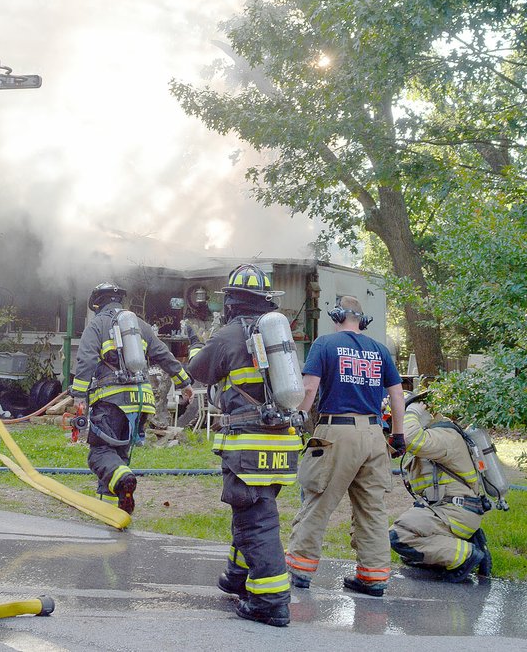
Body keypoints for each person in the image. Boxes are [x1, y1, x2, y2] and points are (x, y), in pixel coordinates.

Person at [186, 264, 303, 628]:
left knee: (255, 522)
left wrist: (195, 345)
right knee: (256, 511)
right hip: (282, 445)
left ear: (232, 301)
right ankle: (237, 577)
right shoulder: (276, 335)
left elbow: (198, 372)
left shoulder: (228, 335)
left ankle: (270, 601)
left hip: (249, 446)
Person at [285, 295, 405, 597]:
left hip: (336, 433)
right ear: (362, 320)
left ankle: (299, 570)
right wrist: (398, 436)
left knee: (318, 501)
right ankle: (373, 577)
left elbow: (310, 388)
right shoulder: (380, 350)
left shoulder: (324, 344)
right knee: (372, 509)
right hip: (375, 435)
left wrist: (295, 419)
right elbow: (397, 395)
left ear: (337, 315)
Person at [71, 282, 194, 513]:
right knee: (118, 455)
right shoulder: (140, 325)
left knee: (100, 453)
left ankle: (123, 481)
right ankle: (110, 509)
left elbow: (86, 360)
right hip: (141, 402)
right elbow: (163, 355)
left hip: (111, 401)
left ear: (97, 303)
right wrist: (184, 382)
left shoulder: (96, 325)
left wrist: (79, 395)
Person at [389, 396, 491, 581]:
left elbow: (410, 438)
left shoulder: (446, 436)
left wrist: (412, 411)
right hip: (448, 509)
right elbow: (396, 446)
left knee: (399, 535)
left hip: (454, 512)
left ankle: (466, 554)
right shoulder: (435, 435)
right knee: (411, 556)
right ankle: (463, 542)